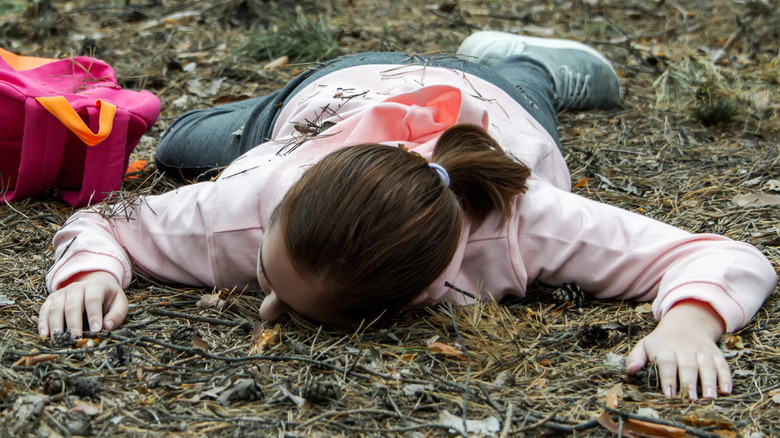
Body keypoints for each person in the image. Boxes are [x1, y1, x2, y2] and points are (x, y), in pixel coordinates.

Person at [38, 31, 776, 402]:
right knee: (176, 142)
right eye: (270, 272)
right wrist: (88, 269)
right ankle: (506, 63)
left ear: (412, 299)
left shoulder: (529, 221)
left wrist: (688, 320)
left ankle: (528, 63)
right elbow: (112, 222)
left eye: (291, 310)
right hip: (339, 91)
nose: (262, 305)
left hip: (492, 106)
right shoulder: (250, 199)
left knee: (516, 84)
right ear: (282, 207)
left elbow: (724, 258)